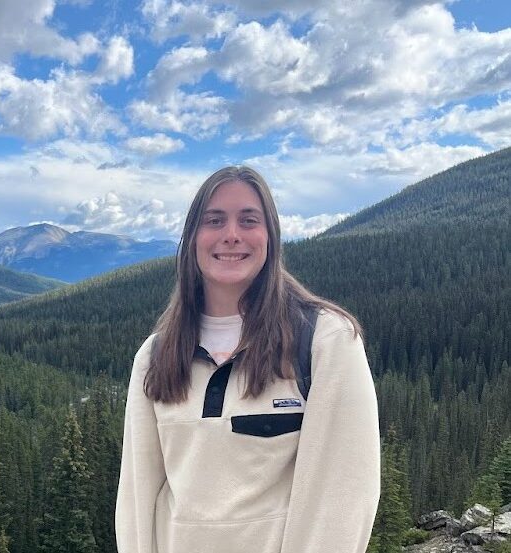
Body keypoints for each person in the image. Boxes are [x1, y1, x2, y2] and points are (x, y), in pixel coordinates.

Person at [115, 166, 380, 553]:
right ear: (192, 239)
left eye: (249, 220)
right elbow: (138, 495)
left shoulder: (326, 341)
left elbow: (342, 496)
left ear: (270, 236)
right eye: (214, 220)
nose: (231, 234)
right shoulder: (155, 355)